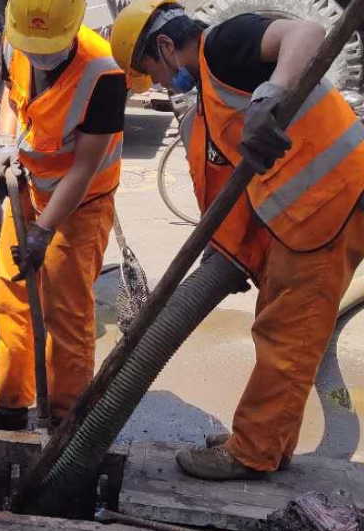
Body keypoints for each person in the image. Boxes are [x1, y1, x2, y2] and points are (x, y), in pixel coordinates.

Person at [111, 0, 364, 480]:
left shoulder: (226, 45)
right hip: (302, 218)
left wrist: (271, 94)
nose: (161, 86)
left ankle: (252, 453)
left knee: (287, 336)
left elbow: (307, 35)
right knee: (280, 327)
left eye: (153, 72)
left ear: (165, 45)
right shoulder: (209, 88)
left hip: (331, 205)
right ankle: (269, 440)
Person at [0, 0, 126, 431]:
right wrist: (4, 139)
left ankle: (66, 414)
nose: (38, 56)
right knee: (10, 293)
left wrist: (43, 231)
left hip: (81, 201)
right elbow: (11, 94)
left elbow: (84, 167)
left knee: (67, 310)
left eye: (49, 48)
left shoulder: (104, 72)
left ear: (74, 28)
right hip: (27, 184)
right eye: (31, 47)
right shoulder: (17, 39)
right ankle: (10, 400)